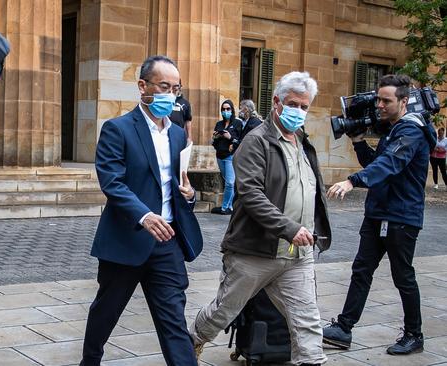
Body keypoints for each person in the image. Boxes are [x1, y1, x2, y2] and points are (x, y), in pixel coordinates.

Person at [190, 71, 331, 366]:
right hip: (254, 251)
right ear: (277, 102)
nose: (299, 111)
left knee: (307, 322)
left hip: (296, 254)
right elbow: (251, 195)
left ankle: (312, 361)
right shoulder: (256, 141)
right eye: (293, 104)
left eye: (305, 106)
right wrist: (289, 227)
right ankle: (192, 340)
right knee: (223, 311)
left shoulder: (303, 142)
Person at [80, 55, 203, 366]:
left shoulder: (177, 134)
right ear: (143, 87)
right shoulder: (118, 129)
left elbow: (175, 183)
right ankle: (89, 361)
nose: (170, 95)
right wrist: (144, 215)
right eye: (164, 86)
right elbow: (112, 182)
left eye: (175, 88)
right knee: (106, 312)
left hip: (167, 242)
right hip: (126, 240)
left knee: (174, 320)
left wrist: (188, 194)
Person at [323, 74, 437, 355]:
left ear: (403, 100)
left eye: (386, 100)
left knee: (403, 276)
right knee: (361, 270)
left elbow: (390, 164)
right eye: (378, 99)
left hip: (401, 217)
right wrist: (360, 141)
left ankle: (414, 335)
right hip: (378, 212)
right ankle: (344, 328)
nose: (379, 106)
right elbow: (376, 162)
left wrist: (352, 181)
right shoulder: (394, 129)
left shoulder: (411, 131)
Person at [210, 100, 241, 215]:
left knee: (230, 183)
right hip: (220, 156)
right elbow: (213, 143)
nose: (225, 111)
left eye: (228, 109)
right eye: (223, 109)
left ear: (232, 110)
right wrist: (215, 137)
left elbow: (240, 140)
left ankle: (224, 207)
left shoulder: (237, 123)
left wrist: (230, 137)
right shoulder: (219, 124)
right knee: (227, 182)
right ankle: (230, 207)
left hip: (230, 156)